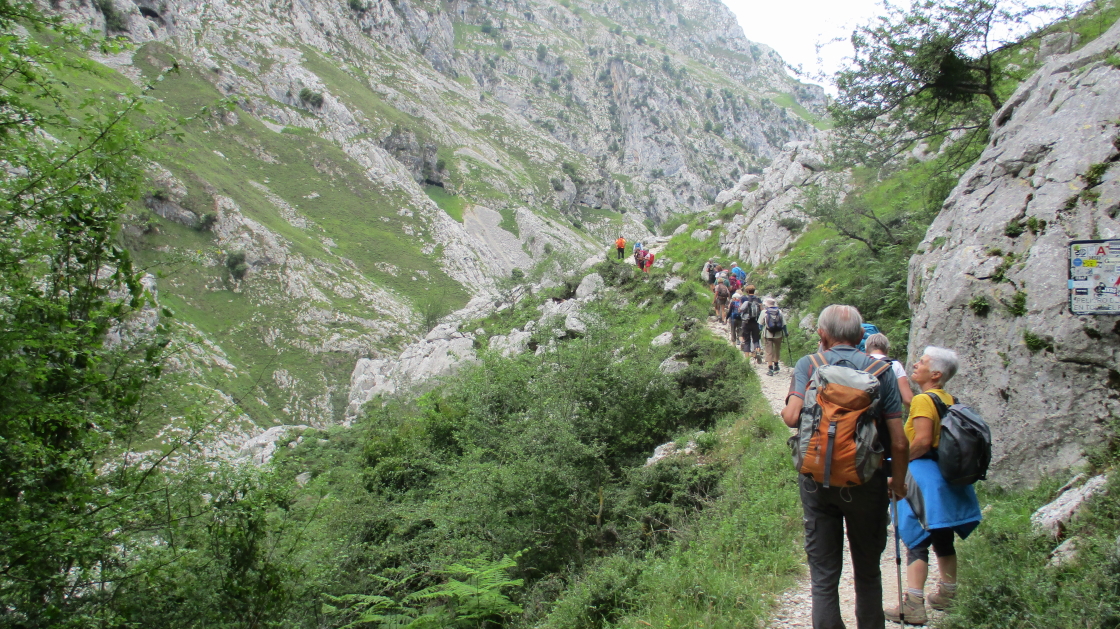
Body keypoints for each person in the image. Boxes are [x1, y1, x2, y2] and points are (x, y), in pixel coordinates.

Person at [781, 305, 909, 629]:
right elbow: (899, 441)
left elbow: (792, 417)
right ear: (860, 335)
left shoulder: (809, 364)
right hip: (867, 480)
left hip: (817, 482)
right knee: (868, 572)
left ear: (822, 334)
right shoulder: (882, 371)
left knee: (823, 576)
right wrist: (898, 482)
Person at [885, 347, 981, 625]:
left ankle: (914, 604)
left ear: (936, 374)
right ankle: (948, 595)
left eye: (923, 362)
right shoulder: (949, 399)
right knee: (943, 536)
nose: (916, 364)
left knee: (915, 538)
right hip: (945, 477)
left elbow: (923, 441)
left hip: (923, 477)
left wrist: (899, 466)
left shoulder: (923, 400)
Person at [864, 333, 914, 411]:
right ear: (887, 350)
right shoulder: (895, 365)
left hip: (864, 413)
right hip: (890, 412)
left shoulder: (860, 363)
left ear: (866, 350)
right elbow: (907, 399)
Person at [757, 297, 787, 376]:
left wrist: (759, 332)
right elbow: (784, 324)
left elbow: (760, 324)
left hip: (768, 334)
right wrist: (786, 333)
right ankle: (776, 365)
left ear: (767, 304)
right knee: (777, 349)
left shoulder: (764, 312)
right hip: (778, 334)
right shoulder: (779, 311)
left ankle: (770, 368)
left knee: (768, 351)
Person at [740, 285, 763, 363]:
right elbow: (761, 310)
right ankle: (757, 351)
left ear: (747, 291)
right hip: (755, 322)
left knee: (747, 341)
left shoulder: (744, 298)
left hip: (746, 322)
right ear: (754, 291)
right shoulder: (758, 299)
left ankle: (747, 360)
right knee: (756, 339)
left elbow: (741, 309)